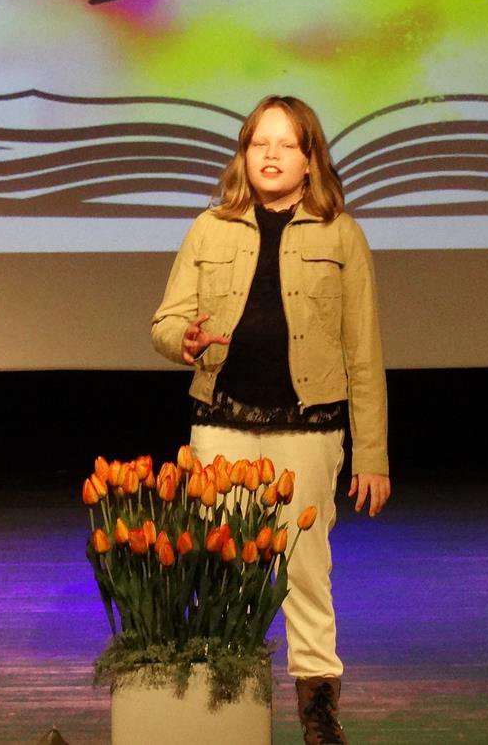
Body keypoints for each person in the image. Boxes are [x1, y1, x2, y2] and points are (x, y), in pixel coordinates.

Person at [151, 94, 389, 745]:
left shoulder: (340, 233)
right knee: (218, 568)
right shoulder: (210, 227)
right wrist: (183, 340)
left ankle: (318, 714)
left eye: (287, 144)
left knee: (305, 573)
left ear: (310, 159)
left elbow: (364, 353)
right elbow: (166, 321)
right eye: (261, 143)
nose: (273, 155)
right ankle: (224, 706)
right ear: (244, 154)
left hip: (308, 428)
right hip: (221, 423)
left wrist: (371, 453)